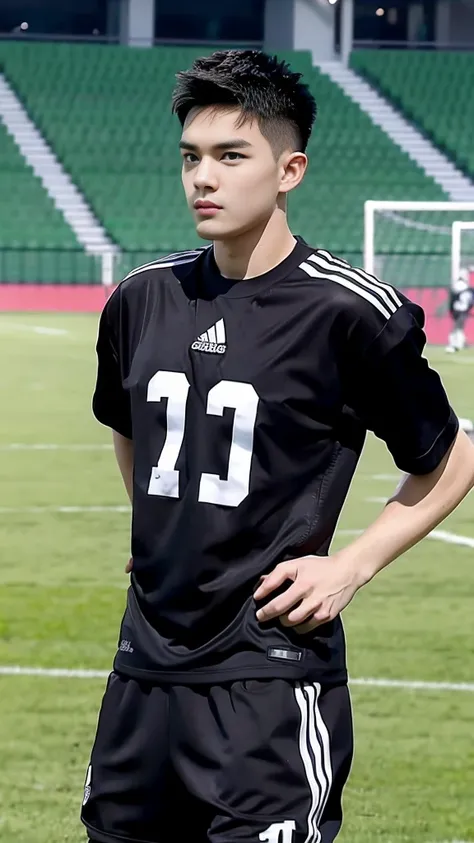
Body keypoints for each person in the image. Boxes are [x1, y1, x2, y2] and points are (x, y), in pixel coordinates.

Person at [81, 50, 474, 843]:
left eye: (232, 156)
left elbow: (452, 457)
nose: (204, 178)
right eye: (191, 157)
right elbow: (128, 426)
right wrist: (161, 523)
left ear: (289, 169)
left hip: (269, 677)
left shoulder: (349, 311)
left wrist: (350, 566)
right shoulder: (140, 298)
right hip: (143, 674)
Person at [446, 268, 474, 353]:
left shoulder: (455, 287)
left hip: (456, 309)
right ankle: (459, 344)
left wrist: (450, 309)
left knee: (455, 327)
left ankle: (454, 344)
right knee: (459, 327)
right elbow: (471, 301)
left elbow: (452, 299)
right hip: (464, 310)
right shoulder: (469, 289)